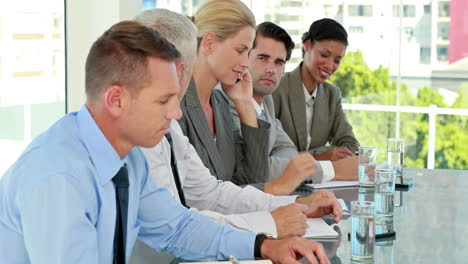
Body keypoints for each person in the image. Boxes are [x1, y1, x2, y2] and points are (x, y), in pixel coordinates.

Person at [0, 21, 330, 264]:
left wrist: (263, 246)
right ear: (116, 100)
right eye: (163, 101)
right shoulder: (59, 177)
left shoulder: (127, 158)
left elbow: (176, 228)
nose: (175, 113)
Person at [133, 8, 341, 245]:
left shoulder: (222, 102)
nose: (246, 63)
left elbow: (223, 187)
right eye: (242, 51)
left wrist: (296, 205)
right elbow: (178, 221)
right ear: (209, 44)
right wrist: (270, 224)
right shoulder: (168, 110)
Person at [272, 18, 360, 162]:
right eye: (324, 55)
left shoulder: (332, 94)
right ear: (307, 45)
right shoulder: (278, 88)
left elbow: (350, 145)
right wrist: (319, 157)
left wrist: (319, 155)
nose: (330, 65)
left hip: (318, 181)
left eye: (337, 60)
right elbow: (269, 154)